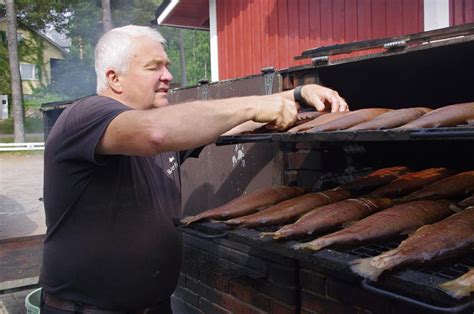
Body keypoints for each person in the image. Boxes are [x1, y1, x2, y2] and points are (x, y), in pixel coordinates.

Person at [39, 25, 348, 314]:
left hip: (155, 305)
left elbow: (233, 122)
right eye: (154, 67)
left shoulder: (161, 129)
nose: (168, 76)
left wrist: (296, 95)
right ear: (114, 78)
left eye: (167, 65)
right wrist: (254, 104)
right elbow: (155, 132)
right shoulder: (85, 115)